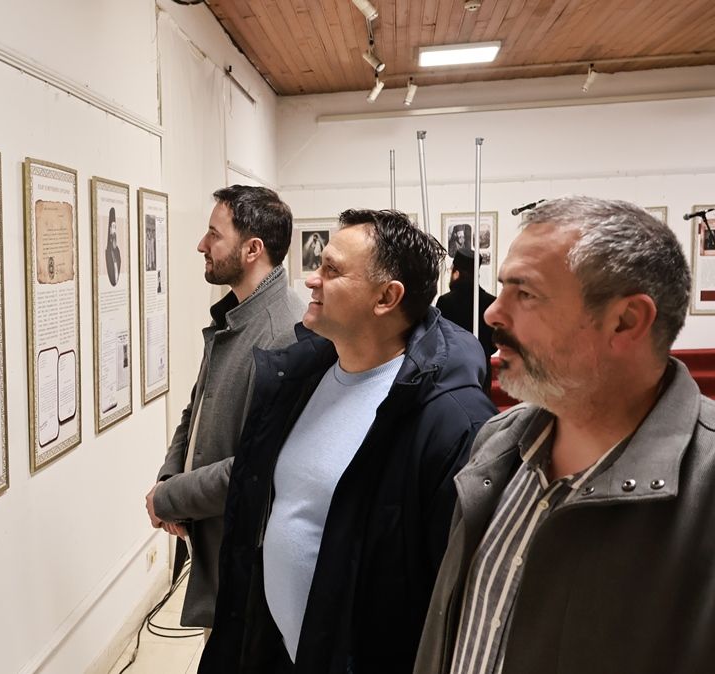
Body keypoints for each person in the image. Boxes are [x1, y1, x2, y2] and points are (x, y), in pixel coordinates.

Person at [415, 197, 712, 674]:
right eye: (503, 288)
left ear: (626, 321)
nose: (493, 314)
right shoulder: (499, 443)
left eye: (526, 293)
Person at [201, 209, 496, 673]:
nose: (311, 279)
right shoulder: (301, 373)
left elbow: (449, 598)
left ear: (386, 297)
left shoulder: (449, 421)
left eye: (331, 270)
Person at [145, 185, 307, 634]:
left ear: (252, 249)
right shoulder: (237, 316)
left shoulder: (283, 335)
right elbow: (196, 407)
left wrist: (169, 498)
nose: (202, 244)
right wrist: (169, 477)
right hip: (219, 555)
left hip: (248, 573)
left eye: (214, 235)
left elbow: (257, 469)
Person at [436, 248, 497, 392]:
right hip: (482, 369)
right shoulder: (491, 302)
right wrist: (483, 352)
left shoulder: (445, 301)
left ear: (456, 273)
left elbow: (439, 338)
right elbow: (495, 341)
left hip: (452, 369)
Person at [104, 207, 121, 287]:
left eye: (115, 227)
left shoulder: (117, 250)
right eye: (113, 227)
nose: (114, 229)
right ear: (110, 228)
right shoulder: (108, 250)